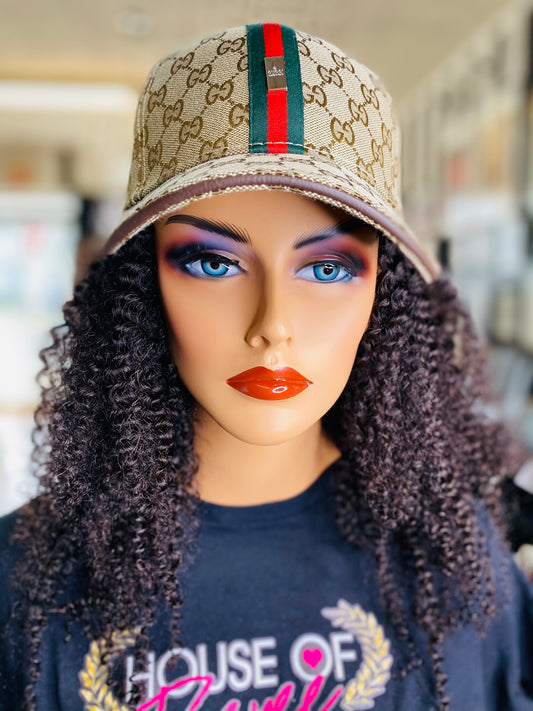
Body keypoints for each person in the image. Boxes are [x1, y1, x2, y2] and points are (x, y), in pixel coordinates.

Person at [1, 22, 532, 711]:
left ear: (385, 293)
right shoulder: (23, 589)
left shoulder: (458, 562)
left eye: (327, 267)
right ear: (141, 286)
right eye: (212, 263)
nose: (271, 324)